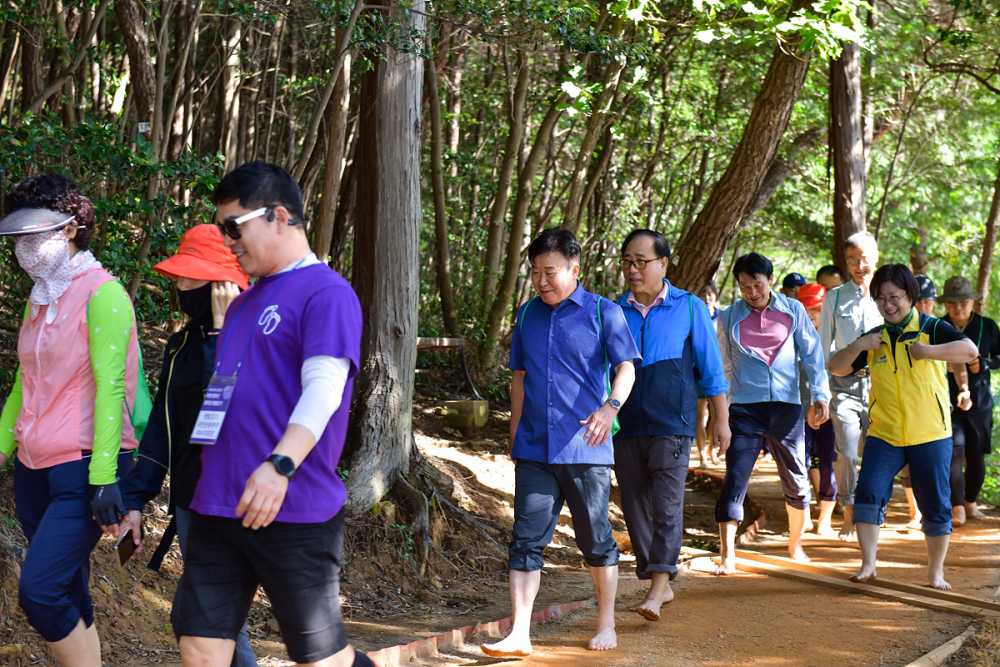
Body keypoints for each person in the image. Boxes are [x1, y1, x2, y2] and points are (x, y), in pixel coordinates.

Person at [168, 162, 371, 667]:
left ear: (281, 216)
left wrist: (280, 465)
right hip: (219, 502)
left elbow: (323, 391)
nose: (228, 240)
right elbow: (225, 392)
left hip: (293, 504)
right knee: (199, 643)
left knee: (320, 657)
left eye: (234, 226)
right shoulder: (240, 305)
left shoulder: (327, 293)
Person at [0, 174, 147, 667]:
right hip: (34, 467)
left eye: (33, 236)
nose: (24, 248)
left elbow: (112, 389)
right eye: (17, 239)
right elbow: (26, 383)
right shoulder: (39, 299)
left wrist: (104, 478)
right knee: (68, 584)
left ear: (67, 230)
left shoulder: (103, 294)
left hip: (86, 467)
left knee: (39, 592)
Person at [481, 228, 639, 657]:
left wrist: (610, 409)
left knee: (595, 538)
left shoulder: (605, 312)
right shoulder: (528, 314)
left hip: (585, 446)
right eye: (535, 272)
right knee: (526, 539)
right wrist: (514, 430)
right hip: (534, 446)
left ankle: (606, 623)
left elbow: (626, 368)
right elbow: (520, 377)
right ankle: (519, 633)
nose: (541, 280)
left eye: (549, 272)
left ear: (575, 269)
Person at [116, 225, 253, 666]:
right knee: (214, 626)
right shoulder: (180, 345)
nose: (180, 287)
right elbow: (163, 425)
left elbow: (227, 416)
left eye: (192, 280)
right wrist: (136, 496)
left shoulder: (255, 339)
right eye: (179, 278)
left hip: (237, 502)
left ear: (224, 285)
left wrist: (221, 338)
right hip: (193, 501)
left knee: (203, 621)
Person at [828, 264, 977, 590]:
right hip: (886, 433)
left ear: (910, 296)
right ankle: (868, 565)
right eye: (880, 299)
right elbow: (836, 368)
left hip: (931, 433)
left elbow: (969, 351)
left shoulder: (932, 327)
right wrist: (857, 347)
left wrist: (928, 352)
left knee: (936, 503)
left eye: (894, 297)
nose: (887, 304)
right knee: (868, 493)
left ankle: (935, 573)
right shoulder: (875, 337)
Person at [614, 230, 730, 621]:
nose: (633, 269)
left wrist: (721, 419)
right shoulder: (614, 310)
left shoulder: (689, 307)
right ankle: (656, 577)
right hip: (626, 425)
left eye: (641, 261)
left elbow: (711, 369)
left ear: (663, 263)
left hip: (673, 424)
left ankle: (660, 585)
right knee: (635, 507)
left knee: (667, 506)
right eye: (627, 260)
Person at [715, 253, 830, 574]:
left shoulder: (792, 311)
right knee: (736, 475)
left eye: (757, 284)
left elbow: (812, 356)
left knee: (795, 475)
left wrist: (821, 395)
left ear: (770, 280)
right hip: (745, 408)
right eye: (744, 286)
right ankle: (727, 556)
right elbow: (722, 368)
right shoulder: (728, 318)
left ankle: (796, 544)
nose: (752, 292)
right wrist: (720, 413)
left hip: (786, 407)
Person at [819, 232, 883, 540]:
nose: (859, 265)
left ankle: (872, 512)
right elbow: (823, 348)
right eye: (852, 260)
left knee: (878, 451)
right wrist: (820, 393)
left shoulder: (888, 296)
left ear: (876, 256)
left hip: (881, 385)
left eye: (864, 258)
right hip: (843, 384)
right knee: (845, 450)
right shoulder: (835, 297)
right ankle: (849, 512)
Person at [940, 276, 1000, 525]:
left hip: (981, 402)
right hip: (945, 400)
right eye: (952, 303)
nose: (958, 307)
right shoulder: (938, 326)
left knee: (976, 455)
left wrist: (984, 363)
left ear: (973, 302)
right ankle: (957, 507)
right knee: (954, 451)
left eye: (963, 302)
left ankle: (971, 502)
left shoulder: (987, 326)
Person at [796, 282, 838, 536]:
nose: (812, 314)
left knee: (828, 463)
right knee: (801, 462)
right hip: (799, 411)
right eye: (806, 308)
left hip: (829, 411)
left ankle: (825, 518)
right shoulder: (793, 338)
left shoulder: (836, 338)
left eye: (817, 308)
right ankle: (803, 514)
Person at [696, 282, 722, 466]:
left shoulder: (722, 318)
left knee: (716, 414)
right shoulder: (694, 316)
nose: (707, 297)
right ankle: (702, 454)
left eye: (710, 294)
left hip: (717, 372)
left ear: (715, 296)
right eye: (703, 293)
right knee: (700, 415)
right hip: (696, 371)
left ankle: (713, 450)